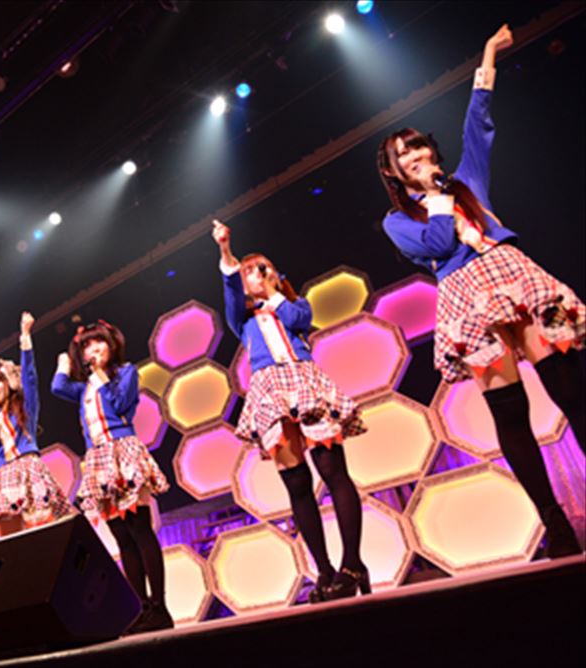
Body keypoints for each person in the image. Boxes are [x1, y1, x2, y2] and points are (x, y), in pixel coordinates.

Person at [377, 24, 583, 557]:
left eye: (417, 145)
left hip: (517, 279)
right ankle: (556, 525)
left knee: (572, 387)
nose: (414, 154)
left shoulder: (468, 179)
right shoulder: (398, 221)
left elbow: (479, 123)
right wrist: (436, 199)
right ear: (395, 173)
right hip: (468, 301)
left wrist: (487, 56)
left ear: (431, 149)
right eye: (403, 154)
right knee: (510, 412)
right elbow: (439, 243)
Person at [212, 219, 370, 601]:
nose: (255, 274)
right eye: (249, 272)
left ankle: (353, 564)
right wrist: (226, 251)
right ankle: (325, 572)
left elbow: (301, 320)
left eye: (261, 268)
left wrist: (273, 291)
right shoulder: (242, 318)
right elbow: (231, 289)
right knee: (297, 484)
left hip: (303, 380)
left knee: (333, 471)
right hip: (269, 389)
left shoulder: (294, 305)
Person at [51, 319, 173, 631]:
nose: (93, 350)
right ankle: (141, 609)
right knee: (121, 537)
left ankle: (160, 608)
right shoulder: (84, 387)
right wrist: (64, 363)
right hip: (98, 458)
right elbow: (58, 387)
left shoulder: (125, 372)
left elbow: (120, 403)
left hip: (123, 450)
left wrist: (99, 373)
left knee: (139, 528)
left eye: (99, 343)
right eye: (87, 346)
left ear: (111, 344)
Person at [0, 311, 71, 538]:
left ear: (8, 383)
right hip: (2, 475)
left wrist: (25, 337)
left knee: (41, 532)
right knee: (11, 538)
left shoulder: (24, 407)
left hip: (27, 468)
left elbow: (30, 377)